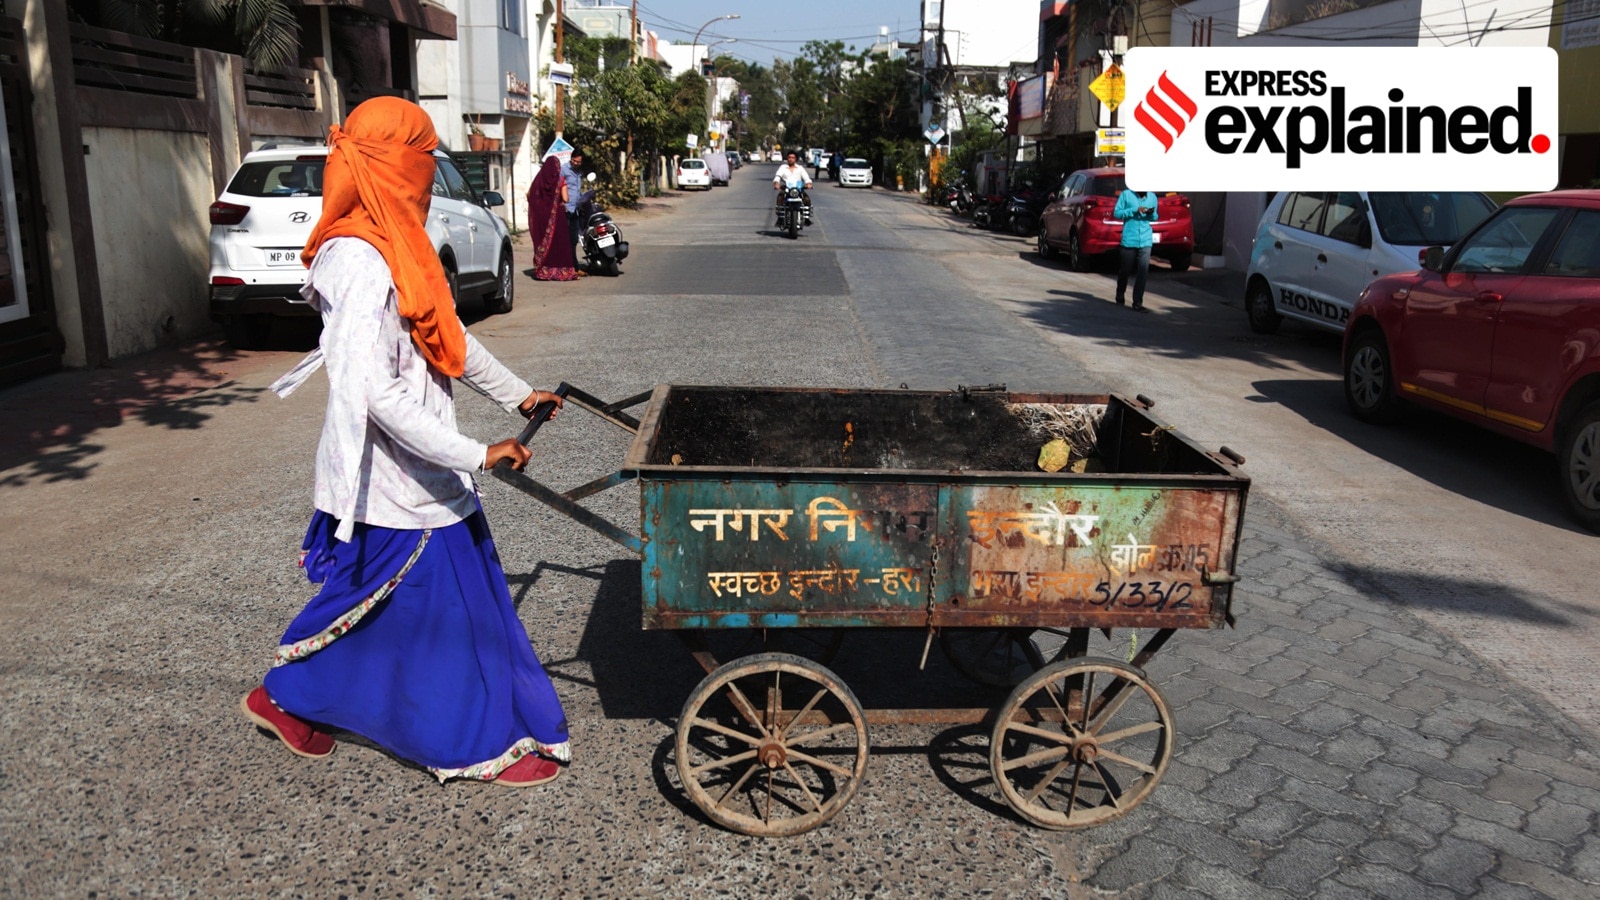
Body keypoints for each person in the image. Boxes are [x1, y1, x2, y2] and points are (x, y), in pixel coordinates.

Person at [244, 96, 571, 789]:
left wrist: (518, 392)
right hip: (394, 475)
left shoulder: (401, 241)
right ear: (389, 167)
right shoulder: (357, 262)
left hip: (428, 466)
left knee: (402, 605)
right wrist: (478, 452)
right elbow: (374, 395)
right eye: (419, 162)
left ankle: (288, 700)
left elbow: (448, 338)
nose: (426, 177)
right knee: (439, 616)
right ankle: (466, 741)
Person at [528, 155, 583, 281]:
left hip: (543, 218)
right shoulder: (560, 180)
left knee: (546, 244)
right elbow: (566, 199)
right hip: (558, 217)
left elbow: (531, 196)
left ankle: (544, 270)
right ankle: (563, 271)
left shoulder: (539, 181)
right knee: (561, 244)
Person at [1114, 185, 1159, 311]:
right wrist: (1134, 210)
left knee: (1143, 271)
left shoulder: (1152, 197)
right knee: (1125, 270)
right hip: (1129, 239)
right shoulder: (1126, 195)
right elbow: (1117, 213)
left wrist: (1150, 213)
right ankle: (1120, 292)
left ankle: (1137, 302)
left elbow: (1155, 216)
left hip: (1145, 239)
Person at [773, 150, 813, 226]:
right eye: (789, 157)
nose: (791, 159)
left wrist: (808, 183)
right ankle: (780, 218)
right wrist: (776, 183)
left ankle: (807, 218)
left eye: (793, 157)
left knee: (807, 199)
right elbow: (777, 176)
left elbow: (806, 178)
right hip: (787, 189)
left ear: (796, 159)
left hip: (798, 189)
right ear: (787, 158)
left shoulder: (800, 168)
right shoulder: (783, 167)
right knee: (780, 198)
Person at [561, 150, 585, 256]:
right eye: (574, 160)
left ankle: (572, 264)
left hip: (575, 209)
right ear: (571, 158)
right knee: (565, 239)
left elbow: (577, 189)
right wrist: (562, 204)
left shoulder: (579, 171)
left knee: (574, 239)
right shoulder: (563, 169)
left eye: (578, 162)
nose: (575, 163)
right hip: (566, 209)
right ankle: (567, 264)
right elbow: (558, 187)